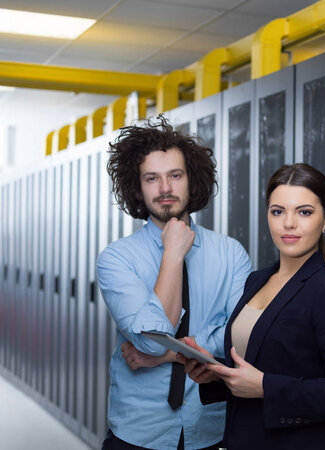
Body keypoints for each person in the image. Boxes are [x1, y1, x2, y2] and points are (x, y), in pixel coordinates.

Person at [178, 163, 325, 450]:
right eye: (277, 211)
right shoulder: (256, 280)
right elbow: (262, 363)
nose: (288, 223)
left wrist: (266, 387)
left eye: (304, 212)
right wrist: (217, 375)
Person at [97, 116, 251, 449]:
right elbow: (152, 341)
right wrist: (172, 254)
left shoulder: (231, 253)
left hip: (212, 427)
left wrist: (166, 356)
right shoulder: (116, 259)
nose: (165, 188)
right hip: (139, 431)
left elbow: (239, 340)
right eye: (152, 178)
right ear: (137, 188)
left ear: (192, 181)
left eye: (175, 176)